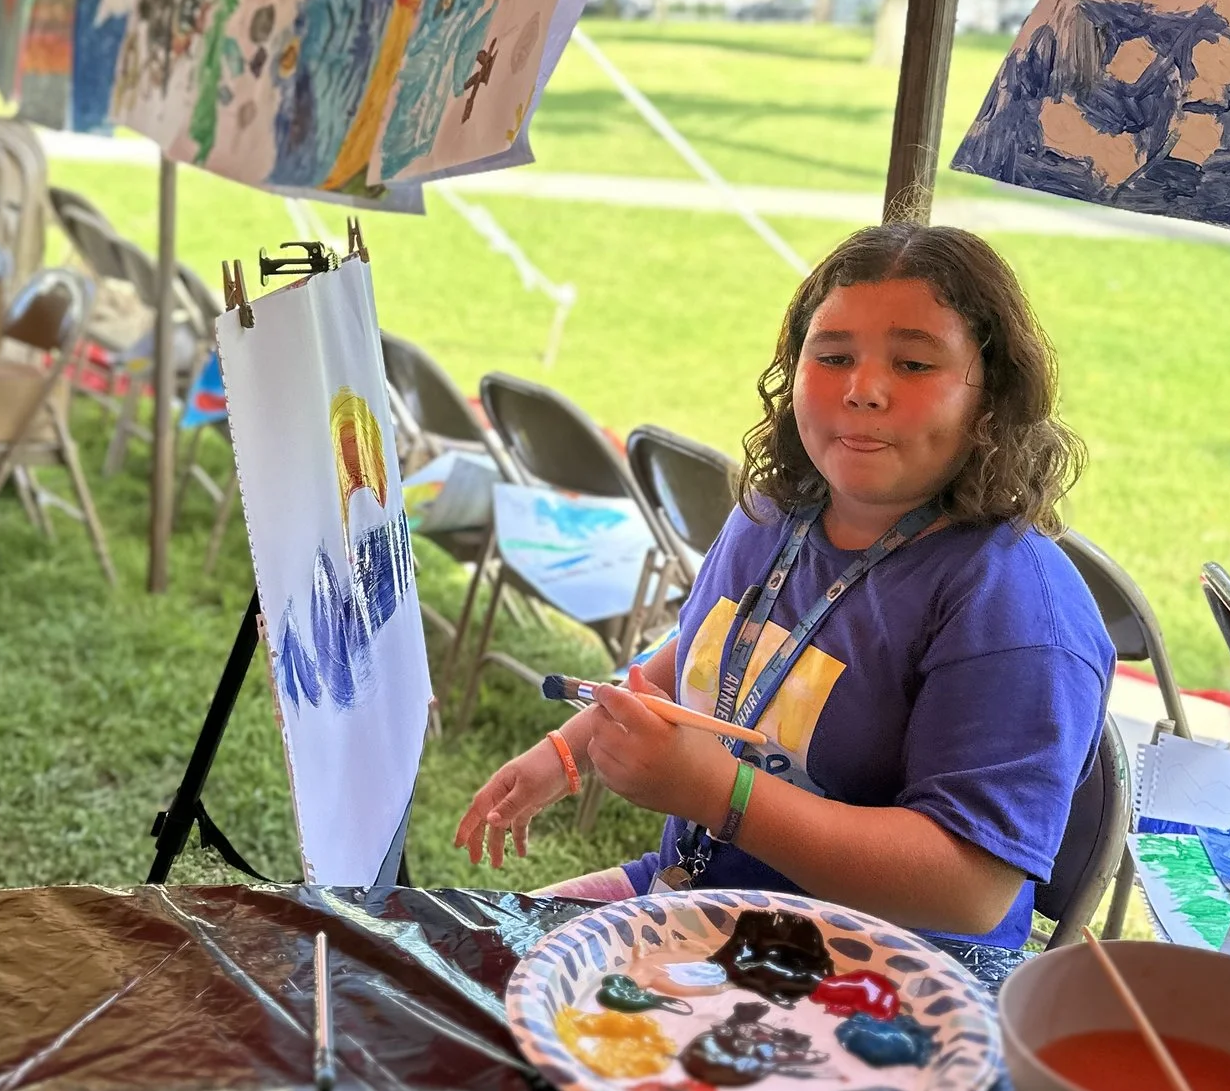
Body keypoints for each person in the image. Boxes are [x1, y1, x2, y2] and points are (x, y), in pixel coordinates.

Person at [454, 224, 1115, 987]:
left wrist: (718, 792)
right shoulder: (774, 513)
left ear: (992, 398)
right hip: (702, 904)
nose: (862, 387)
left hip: (877, 981)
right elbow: (708, 650)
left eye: (914, 361)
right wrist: (568, 746)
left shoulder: (1015, 608)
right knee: (474, 973)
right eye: (832, 356)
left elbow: (970, 886)